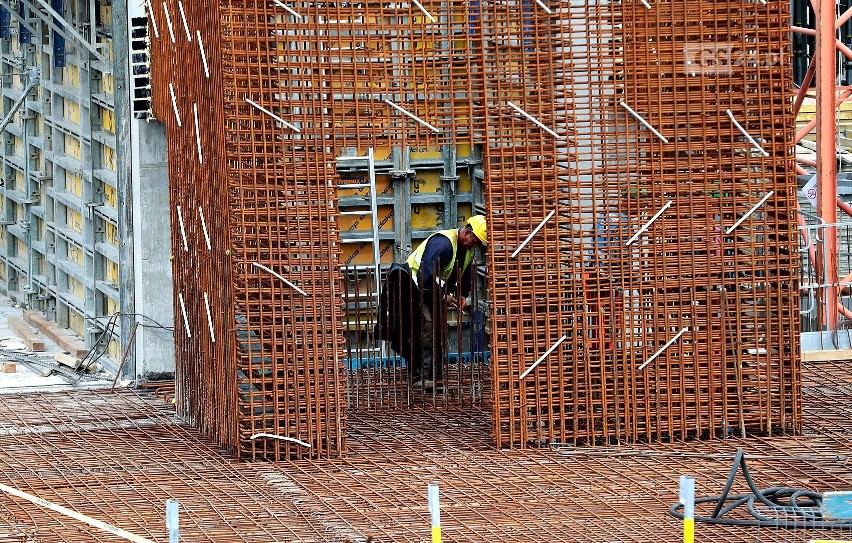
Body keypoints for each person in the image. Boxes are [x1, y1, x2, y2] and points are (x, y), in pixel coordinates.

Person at [376, 215, 487, 391]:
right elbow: (425, 276)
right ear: (466, 232)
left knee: (439, 331)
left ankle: (435, 375)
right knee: (425, 329)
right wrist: (444, 298)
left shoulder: (467, 250)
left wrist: (462, 295)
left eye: (478, 244)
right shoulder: (442, 244)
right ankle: (420, 377)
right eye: (474, 241)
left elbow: (465, 273)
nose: (475, 246)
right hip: (413, 286)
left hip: (431, 290)